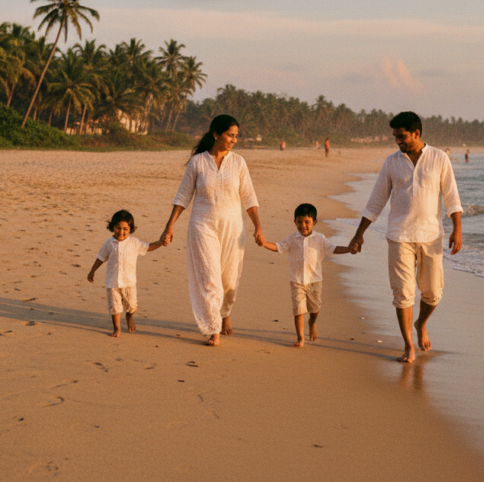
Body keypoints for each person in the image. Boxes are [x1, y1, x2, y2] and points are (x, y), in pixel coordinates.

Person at [347, 111, 462, 363]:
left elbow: (451, 196)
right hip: (399, 235)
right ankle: (408, 345)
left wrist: (457, 229)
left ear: (416, 134)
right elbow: (376, 201)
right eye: (395, 137)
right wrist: (359, 235)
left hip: (432, 236)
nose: (397, 141)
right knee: (403, 293)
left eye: (401, 136)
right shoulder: (391, 162)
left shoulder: (439, 158)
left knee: (432, 293)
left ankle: (421, 323)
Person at [160, 115, 263, 346]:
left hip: (232, 228)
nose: (234, 140)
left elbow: (249, 197)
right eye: (230, 135)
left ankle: (225, 313)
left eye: (236, 136)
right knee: (210, 279)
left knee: (229, 280)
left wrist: (258, 227)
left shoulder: (238, 163)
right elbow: (183, 196)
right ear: (216, 134)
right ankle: (213, 328)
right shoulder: (197, 162)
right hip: (202, 225)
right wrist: (169, 226)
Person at [259, 203, 352, 347]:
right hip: (296, 281)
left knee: (315, 309)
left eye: (307, 222)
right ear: (295, 222)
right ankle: (300, 337)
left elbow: (333, 249)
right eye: (299, 222)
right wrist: (264, 243)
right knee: (298, 310)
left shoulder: (320, 239)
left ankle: (312, 322)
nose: (303, 225)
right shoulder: (292, 238)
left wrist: (349, 249)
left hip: (315, 281)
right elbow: (278, 247)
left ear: (314, 222)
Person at [87, 210, 162, 337]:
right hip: (112, 282)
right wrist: (92, 271)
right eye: (118, 228)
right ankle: (117, 329)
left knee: (132, 306)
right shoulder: (109, 244)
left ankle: (129, 317)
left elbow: (148, 247)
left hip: (129, 282)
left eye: (125, 229)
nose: (121, 232)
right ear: (113, 227)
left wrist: (161, 242)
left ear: (131, 229)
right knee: (115, 307)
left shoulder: (134, 243)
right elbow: (101, 258)